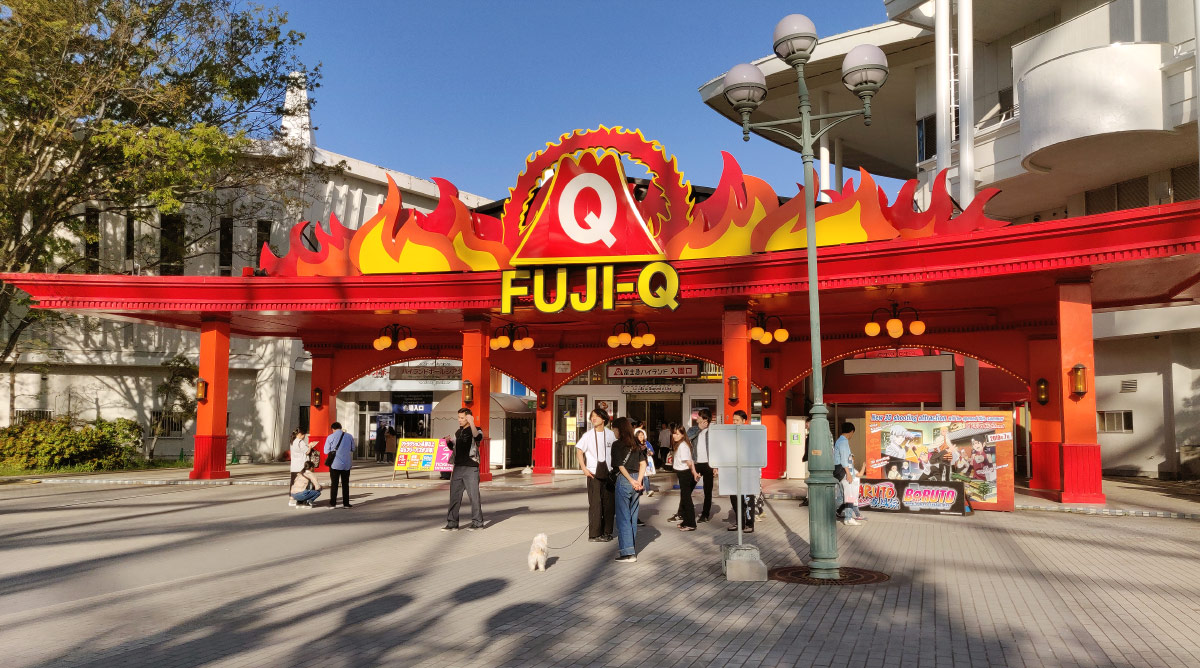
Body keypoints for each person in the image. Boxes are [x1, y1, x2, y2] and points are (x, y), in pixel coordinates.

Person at [575, 408, 615, 543]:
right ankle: (594, 534)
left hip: (609, 472)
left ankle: (607, 532)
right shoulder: (587, 435)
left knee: (609, 504)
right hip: (593, 473)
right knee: (595, 504)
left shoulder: (611, 435)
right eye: (592, 416)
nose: (593, 418)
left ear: (604, 419)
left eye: (596, 416)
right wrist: (584, 469)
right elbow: (579, 451)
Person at [610, 416, 646, 563]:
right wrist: (638, 481)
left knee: (623, 517)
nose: (613, 431)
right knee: (632, 516)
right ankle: (631, 549)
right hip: (637, 479)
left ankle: (628, 552)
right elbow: (643, 464)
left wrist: (631, 481)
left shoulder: (617, 445)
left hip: (625, 481)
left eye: (614, 428)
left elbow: (619, 465)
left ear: (619, 429)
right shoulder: (636, 443)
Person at [443, 407, 485, 531]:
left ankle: (478, 523)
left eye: (462, 418)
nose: (459, 420)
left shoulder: (476, 429)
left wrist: (472, 422)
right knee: (454, 496)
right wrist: (448, 442)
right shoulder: (458, 432)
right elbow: (454, 448)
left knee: (474, 496)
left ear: (468, 418)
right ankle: (452, 523)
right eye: (458, 417)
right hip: (458, 467)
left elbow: (478, 438)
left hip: (471, 468)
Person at [726, 409, 755, 533]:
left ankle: (749, 524)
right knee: (735, 498)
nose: (735, 422)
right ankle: (739, 523)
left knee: (747, 498)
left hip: (747, 471)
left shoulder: (750, 434)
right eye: (733, 420)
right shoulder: (731, 434)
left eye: (737, 420)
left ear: (744, 421)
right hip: (734, 470)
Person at [833, 422, 865, 526]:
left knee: (843, 496)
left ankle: (832, 513)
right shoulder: (843, 442)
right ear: (851, 432)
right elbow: (844, 460)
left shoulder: (840, 441)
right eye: (853, 433)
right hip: (843, 470)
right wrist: (849, 474)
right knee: (849, 495)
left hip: (841, 470)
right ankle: (848, 518)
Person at [670, 425, 700, 530]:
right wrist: (694, 472)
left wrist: (694, 473)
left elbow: (689, 462)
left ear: (683, 435)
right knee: (684, 497)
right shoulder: (680, 444)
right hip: (682, 473)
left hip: (685, 474)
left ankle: (691, 524)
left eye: (677, 433)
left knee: (687, 499)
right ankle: (686, 521)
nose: (675, 436)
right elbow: (690, 460)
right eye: (674, 433)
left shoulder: (683, 446)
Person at [324, 422, 355, 509]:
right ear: (341, 428)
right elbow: (353, 449)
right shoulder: (349, 436)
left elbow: (326, 451)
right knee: (345, 484)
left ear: (333, 429)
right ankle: (346, 504)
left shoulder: (330, 437)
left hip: (335, 464)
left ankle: (333, 504)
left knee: (334, 484)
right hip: (346, 464)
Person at [692, 408, 715, 523]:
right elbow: (686, 439)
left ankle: (705, 514)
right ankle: (681, 512)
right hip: (696, 463)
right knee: (687, 489)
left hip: (709, 464)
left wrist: (716, 466)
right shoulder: (694, 429)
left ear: (705, 418)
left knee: (708, 491)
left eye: (699, 416)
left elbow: (717, 449)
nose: (697, 418)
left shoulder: (713, 431)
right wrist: (699, 429)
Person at [287, 428, 310, 507]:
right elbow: (307, 452)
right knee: (302, 483)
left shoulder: (292, 441)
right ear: (301, 434)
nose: (304, 437)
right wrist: (310, 446)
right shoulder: (301, 442)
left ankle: (291, 499)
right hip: (301, 465)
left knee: (293, 483)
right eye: (304, 435)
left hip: (294, 466)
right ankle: (301, 500)